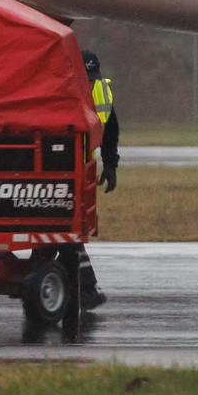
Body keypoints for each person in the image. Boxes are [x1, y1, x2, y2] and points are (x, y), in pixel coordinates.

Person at [80, 50, 121, 308]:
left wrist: (110, 164)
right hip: (69, 168)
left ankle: (84, 288)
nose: (92, 82)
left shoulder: (99, 90)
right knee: (68, 235)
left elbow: (111, 128)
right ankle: (85, 289)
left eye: (94, 76)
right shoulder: (64, 86)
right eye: (88, 77)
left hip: (81, 168)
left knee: (70, 234)